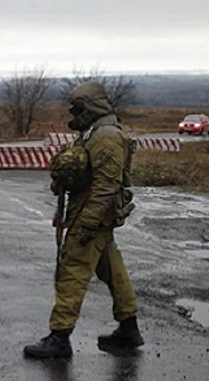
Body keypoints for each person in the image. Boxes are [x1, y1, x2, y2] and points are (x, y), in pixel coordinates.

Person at [24, 81, 144, 359]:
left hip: (92, 215)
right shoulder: (94, 132)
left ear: (91, 106)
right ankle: (129, 327)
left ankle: (60, 336)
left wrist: (87, 223)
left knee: (72, 269)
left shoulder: (106, 136)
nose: (74, 113)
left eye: (78, 107)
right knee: (113, 271)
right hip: (87, 211)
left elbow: (107, 185)